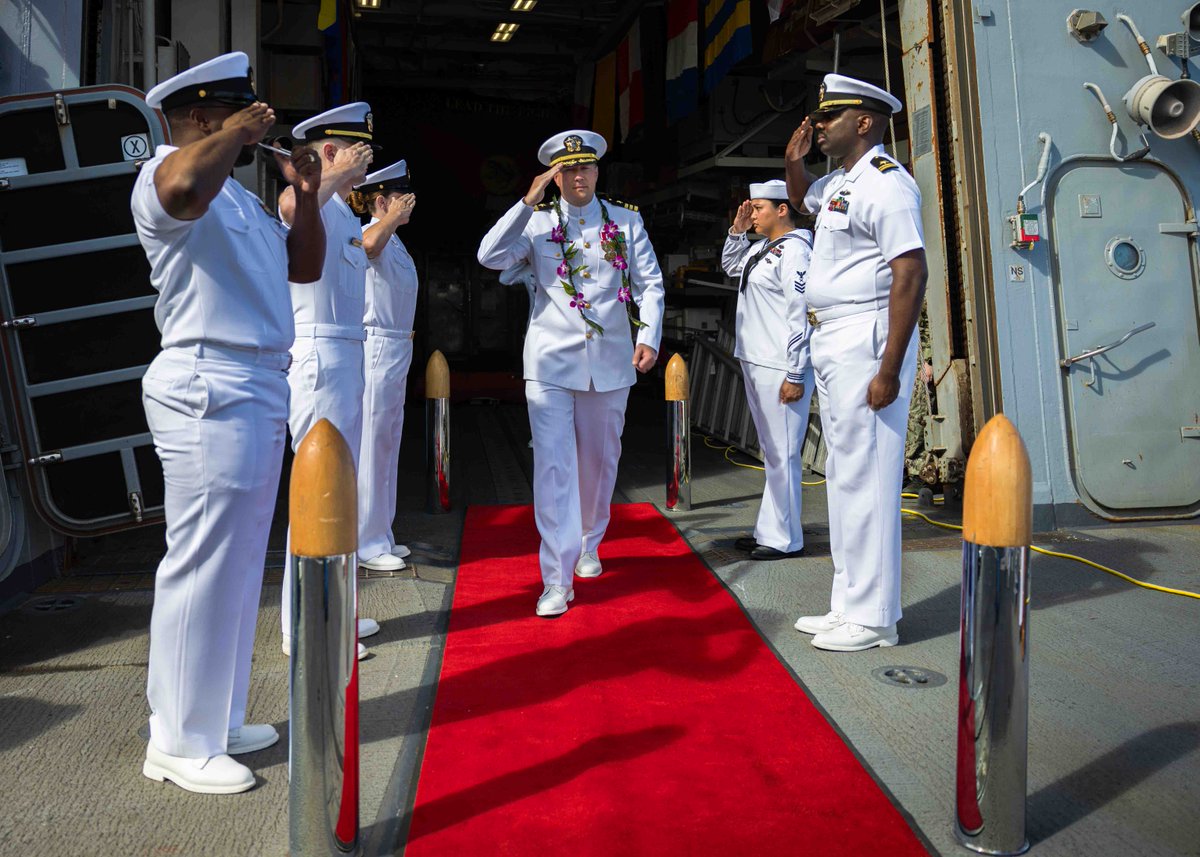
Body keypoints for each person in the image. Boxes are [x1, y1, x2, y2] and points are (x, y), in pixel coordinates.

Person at [133, 51, 324, 793]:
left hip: (256, 380)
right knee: (203, 562)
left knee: (241, 565)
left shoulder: (241, 200)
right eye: (240, 113)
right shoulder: (162, 175)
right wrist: (233, 137)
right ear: (204, 118)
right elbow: (183, 184)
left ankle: (215, 713)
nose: (258, 125)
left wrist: (306, 194)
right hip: (205, 380)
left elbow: (301, 270)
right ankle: (177, 739)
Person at [477, 130, 664, 617]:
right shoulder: (536, 225)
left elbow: (651, 284)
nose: (578, 176)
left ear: (598, 171)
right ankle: (555, 579)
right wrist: (525, 202)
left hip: (610, 362)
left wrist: (648, 337)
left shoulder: (625, 221)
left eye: (586, 167)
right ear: (555, 176)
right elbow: (489, 256)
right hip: (549, 363)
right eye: (568, 169)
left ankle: (588, 542)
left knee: (599, 463)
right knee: (554, 467)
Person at [784, 74, 928, 652]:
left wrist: (889, 367)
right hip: (835, 337)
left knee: (868, 477)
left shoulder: (888, 185)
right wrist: (794, 159)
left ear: (863, 122)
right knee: (844, 476)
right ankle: (849, 604)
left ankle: (874, 619)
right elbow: (801, 201)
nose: (818, 126)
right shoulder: (844, 181)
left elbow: (910, 271)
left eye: (829, 118)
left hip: (868, 336)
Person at [277, 102, 378, 658]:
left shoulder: (341, 210)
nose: (367, 156)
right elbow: (289, 203)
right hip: (317, 356)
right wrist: (329, 174)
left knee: (343, 483)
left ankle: (335, 608)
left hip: (347, 355)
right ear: (330, 151)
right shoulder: (313, 200)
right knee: (316, 486)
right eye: (355, 147)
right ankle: (306, 626)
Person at [720, 180, 814, 561]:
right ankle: (769, 530)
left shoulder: (796, 252)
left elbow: (800, 314)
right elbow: (730, 266)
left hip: (779, 364)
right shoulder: (762, 247)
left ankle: (784, 539)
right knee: (771, 451)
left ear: (782, 210)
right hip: (756, 358)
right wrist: (736, 232)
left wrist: (795, 373)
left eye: (758, 208)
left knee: (783, 452)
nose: (752, 213)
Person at [347, 160, 418, 571]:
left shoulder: (397, 241)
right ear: (380, 201)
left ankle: (382, 533)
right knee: (372, 443)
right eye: (399, 197)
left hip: (397, 347)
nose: (408, 203)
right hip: (375, 345)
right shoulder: (369, 234)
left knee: (388, 442)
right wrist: (387, 219)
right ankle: (367, 544)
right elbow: (369, 246)